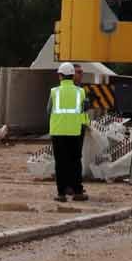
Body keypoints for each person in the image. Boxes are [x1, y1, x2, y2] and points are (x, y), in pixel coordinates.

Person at [49, 61, 91, 203]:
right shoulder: (81, 92)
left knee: (60, 163)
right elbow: (83, 110)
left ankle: (61, 194)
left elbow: (48, 110)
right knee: (75, 161)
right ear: (73, 76)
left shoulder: (54, 92)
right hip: (75, 131)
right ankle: (78, 192)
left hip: (58, 131)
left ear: (60, 76)